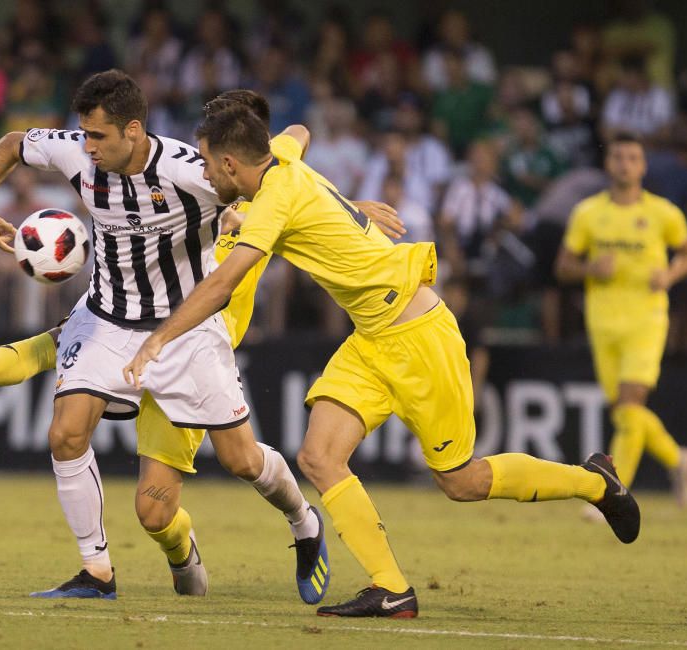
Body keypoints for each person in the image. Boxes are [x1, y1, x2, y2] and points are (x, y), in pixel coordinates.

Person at [123, 104, 641, 619]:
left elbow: (221, 283)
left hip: (418, 336)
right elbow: (299, 131)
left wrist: (158, 340)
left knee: (459, 480)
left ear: (233, 165)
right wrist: (344, 206)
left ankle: (595, 482)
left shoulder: (273, 201)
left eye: (210, 164)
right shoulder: (278, 159)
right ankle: (391, 588)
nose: (207, 174)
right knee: (319, 457)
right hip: (372, 336)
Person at [0, 72, 329, 603]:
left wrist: (323, 212)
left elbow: (272, 189)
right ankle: (96, 572)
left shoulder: (186, 170)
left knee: (233, 465)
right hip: (106, 321)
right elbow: (14, 144)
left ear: (133, 130)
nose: (87, 146)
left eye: (98, 136)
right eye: (83, 134)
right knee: (65, 433)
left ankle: (302, 520)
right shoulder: (79, 156)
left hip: (185, 332)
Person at [555, 133, 687, 507]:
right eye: (618, 156)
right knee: (627, 413)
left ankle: (613, 494)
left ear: (643, 166)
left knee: (630, 403)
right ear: (609, 164)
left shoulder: (662, 212)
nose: (624, 163)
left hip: (646, 320)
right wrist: (590, 267)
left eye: (633, 158)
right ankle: (678, 458)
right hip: (603, 321)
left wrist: (670, 275)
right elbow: (563, 266)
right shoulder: (588, 212)